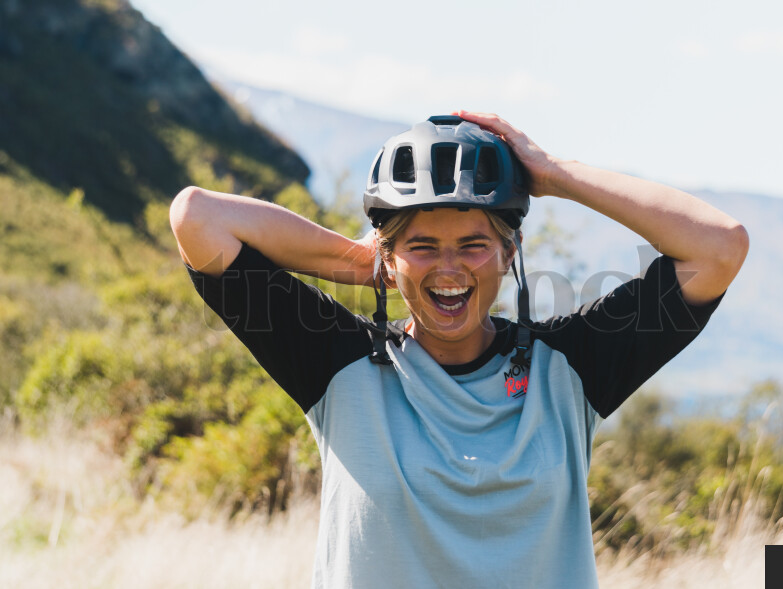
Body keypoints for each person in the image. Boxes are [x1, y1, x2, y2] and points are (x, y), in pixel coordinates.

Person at [169, 111, 748, 588]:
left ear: (509, 252)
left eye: (474, 244)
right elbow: (200, 219)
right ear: (388, 260)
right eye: (422, 246)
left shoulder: (569, 368)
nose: (449, 268)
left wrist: (554, 174)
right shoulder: (339, 365)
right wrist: (358, 260)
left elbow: (718, 247)